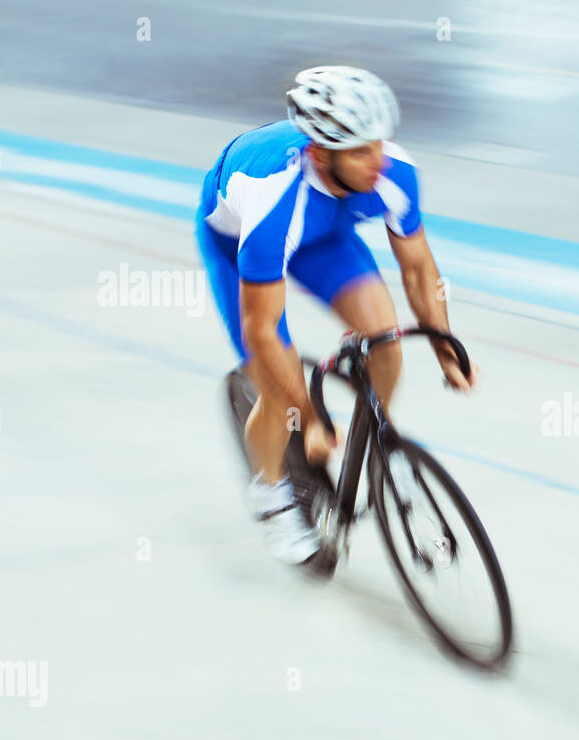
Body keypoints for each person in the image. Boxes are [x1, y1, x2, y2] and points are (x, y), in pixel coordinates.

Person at [196, 66, 477, 564]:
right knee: (277, 391)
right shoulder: (272, 197)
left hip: (323, 236)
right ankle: (272, 494)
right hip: (243, 244)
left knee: (385, 338)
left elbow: (418, 269)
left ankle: (376, 444)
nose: (379, 161)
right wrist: (307, 418)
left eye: (380, 144)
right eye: (361, 151)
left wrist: (444, 344)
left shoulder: (394, 172)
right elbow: (263, 331)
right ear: (321, 153)